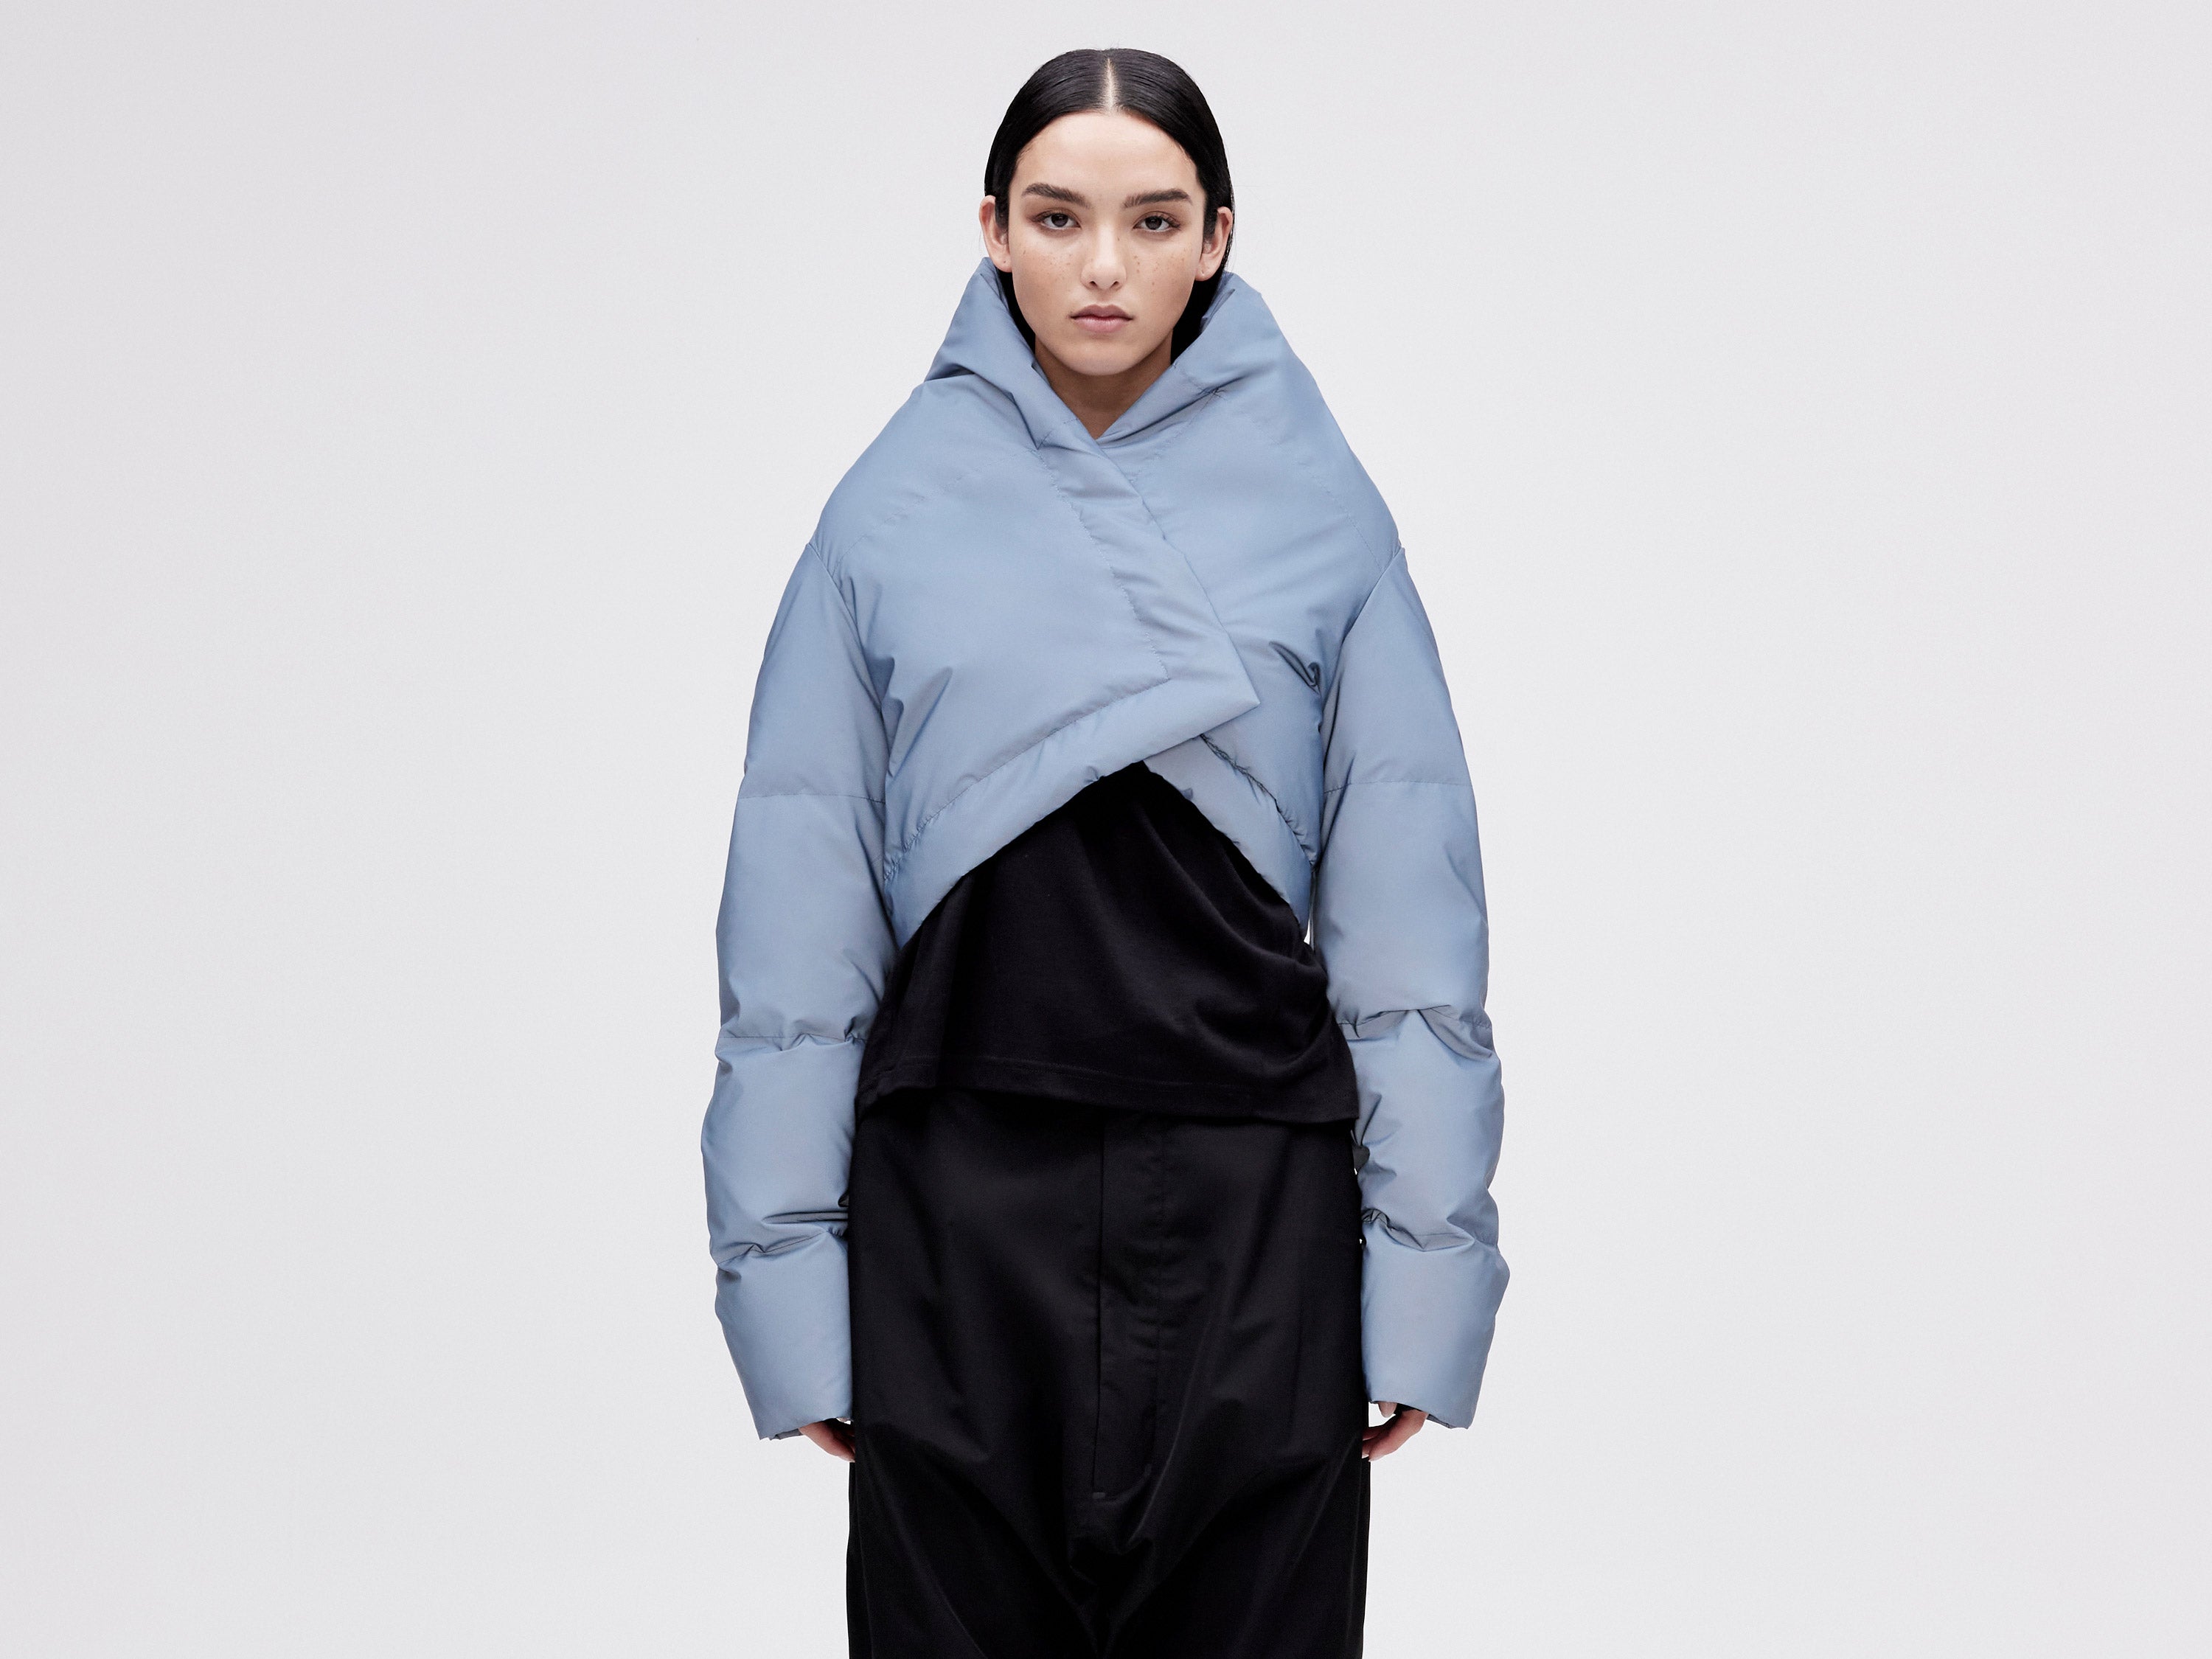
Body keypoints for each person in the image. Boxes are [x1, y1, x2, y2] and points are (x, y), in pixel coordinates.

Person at [703, 47, 1508, 1658]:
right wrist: (791, 1285)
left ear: (1217, 238)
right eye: (1060, 217)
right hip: (956, 1209)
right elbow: (796, 937)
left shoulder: (1328, 518)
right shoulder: (883, 520)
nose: (1103, 268)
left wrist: (1423, 1277)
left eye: (1153, 221)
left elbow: (1410, 930)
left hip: (1254, 1210)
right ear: (992, 228)